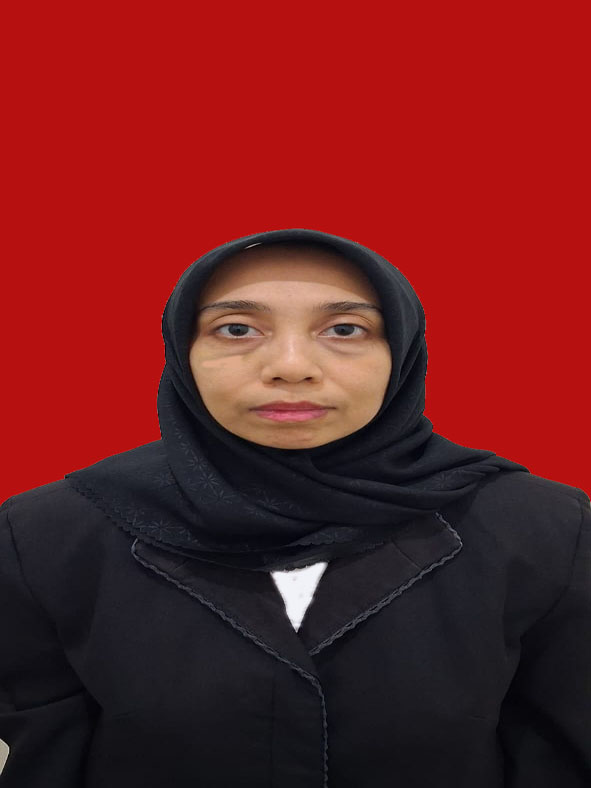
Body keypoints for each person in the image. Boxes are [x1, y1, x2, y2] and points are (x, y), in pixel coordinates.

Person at [0, 227, 589, 787]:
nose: (290, 367)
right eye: (236, 329)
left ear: (402, 350)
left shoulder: (546, 531)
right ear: (182, 350)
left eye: (345, 329)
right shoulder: (47, 536)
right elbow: (46, 763)